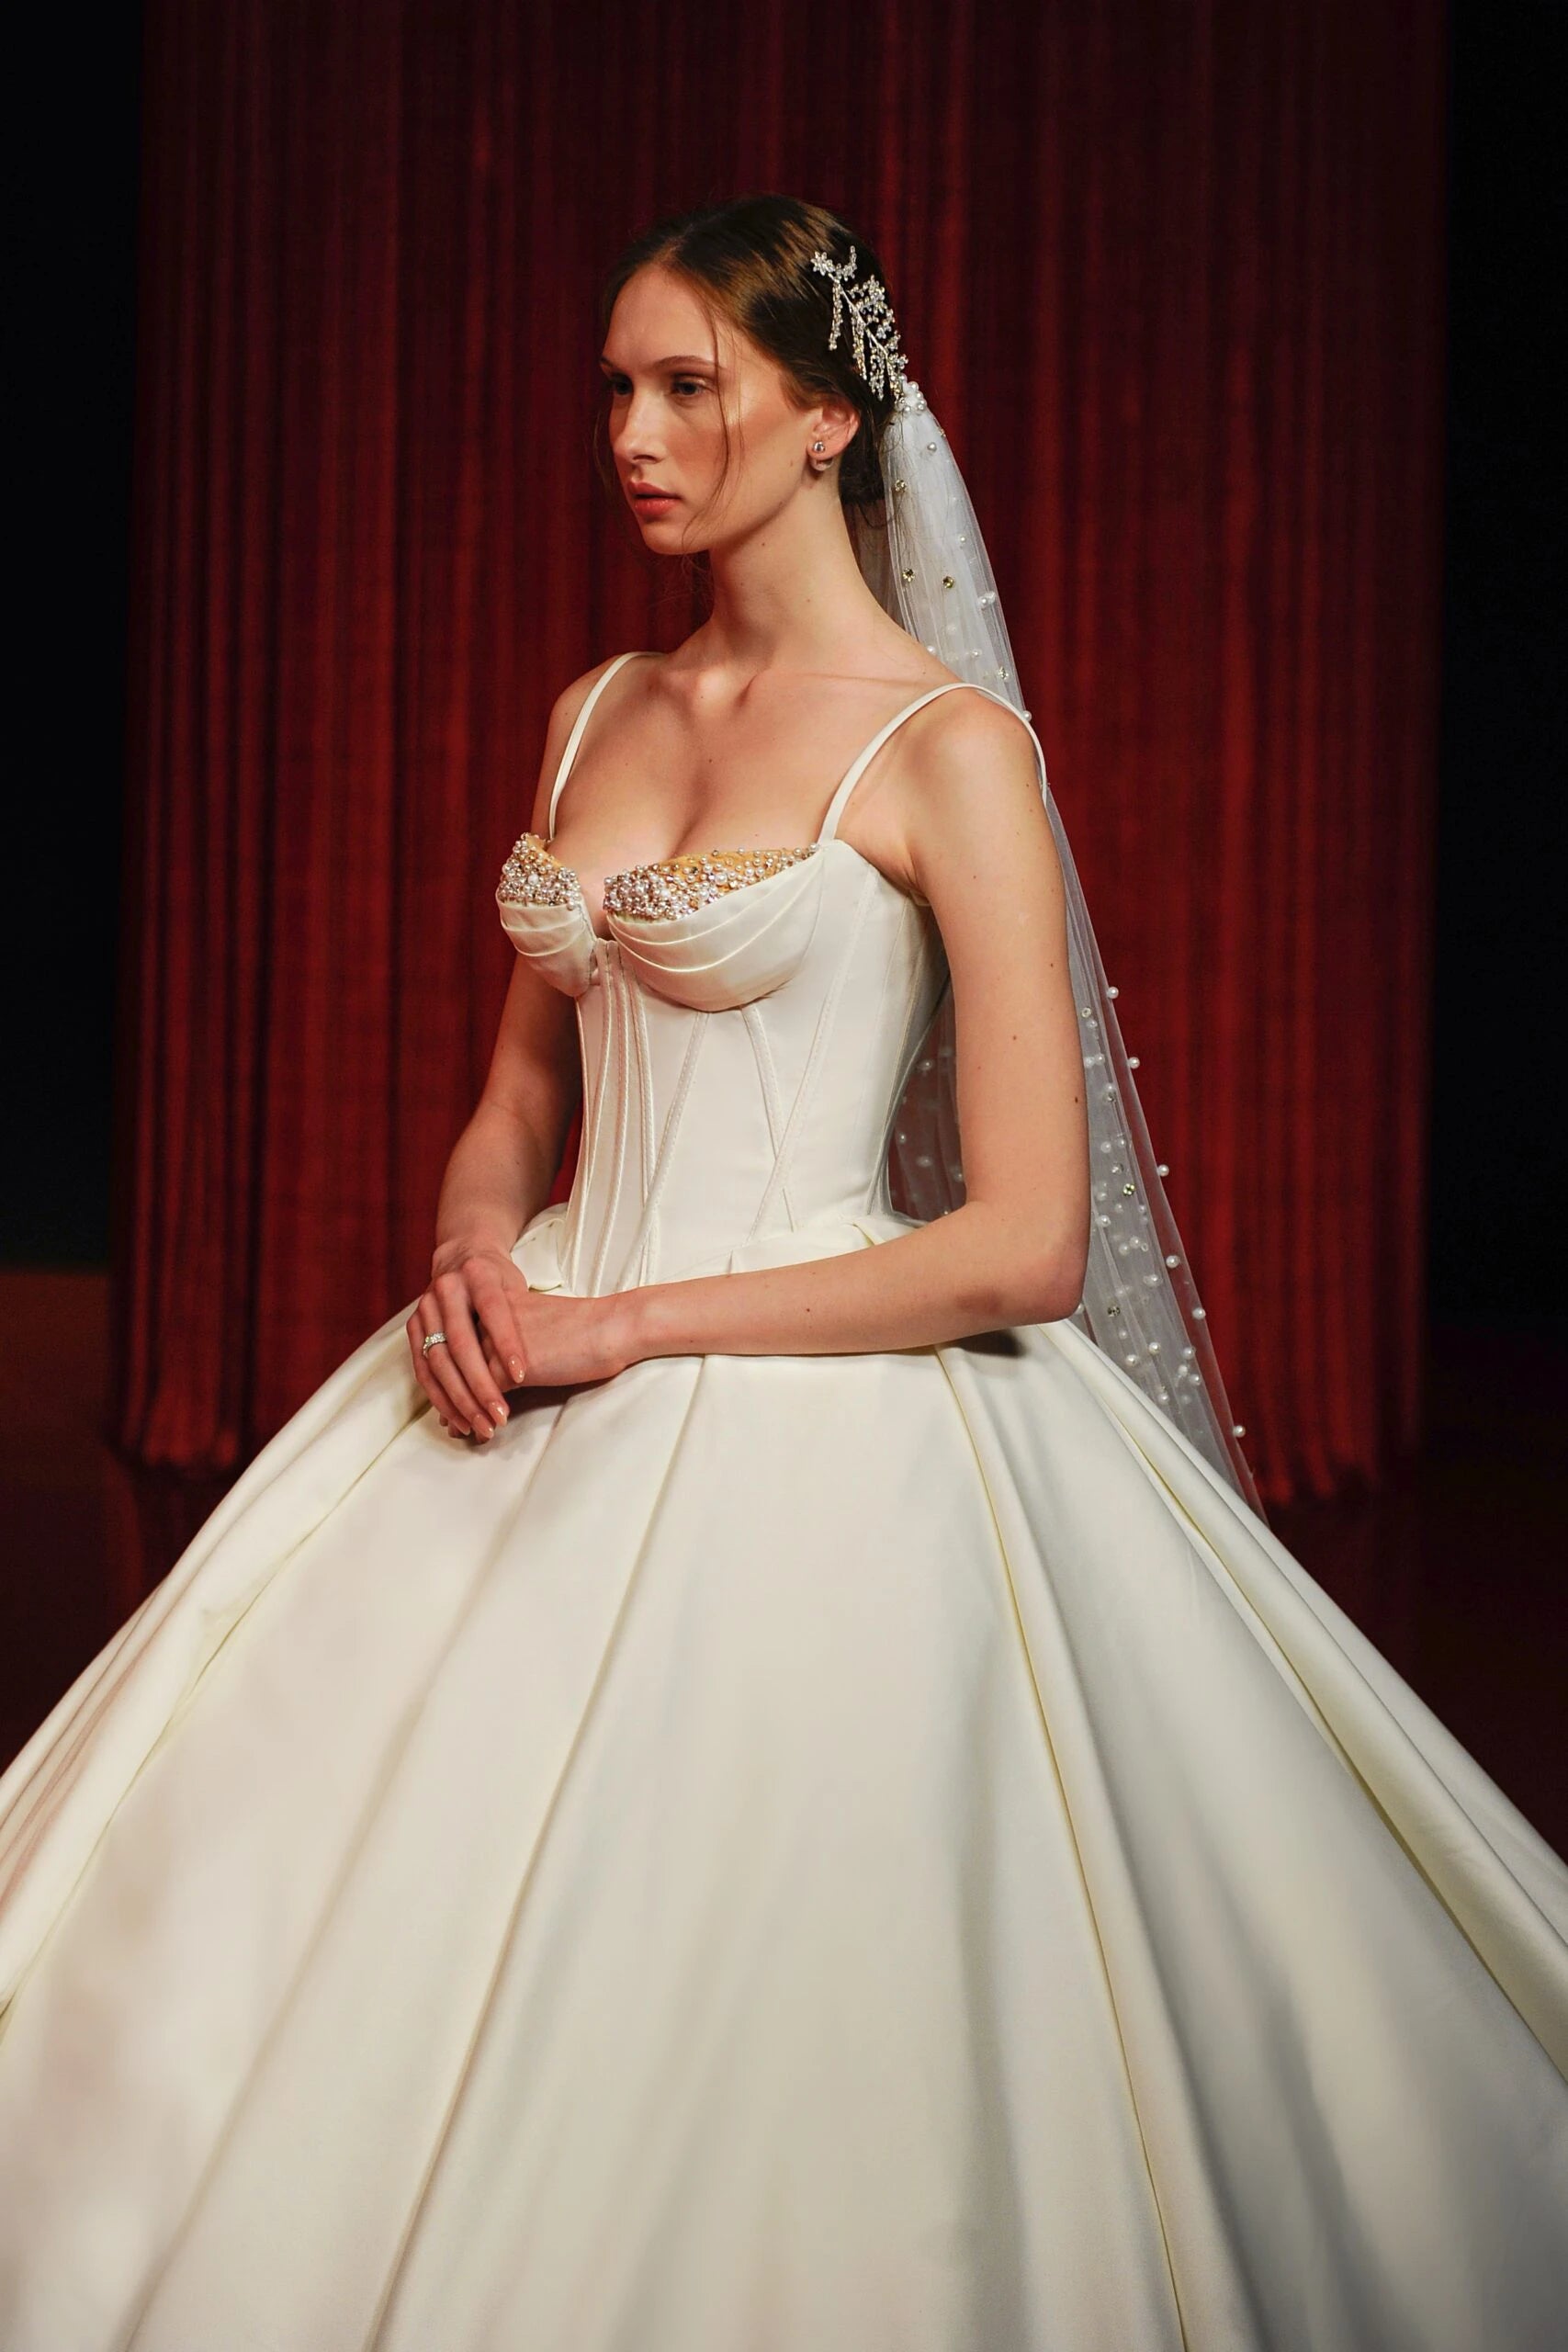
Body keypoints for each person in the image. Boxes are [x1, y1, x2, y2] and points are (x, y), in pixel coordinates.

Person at [1, 193, 1564, 2352]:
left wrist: (627, 1320)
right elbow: (516, 1095)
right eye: (612, 391)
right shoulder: (594, 708)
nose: (629, 438)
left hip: (808, 1397)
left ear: (828, 416)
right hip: (529, 1338)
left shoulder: (947, 750)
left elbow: (1020, 1239)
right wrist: (473, 1248)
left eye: (686, 388)